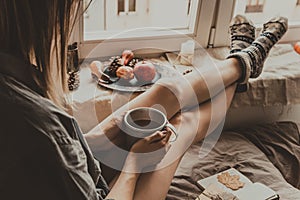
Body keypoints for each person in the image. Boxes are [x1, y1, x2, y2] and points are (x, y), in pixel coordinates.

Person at [0, 0, 287, 199]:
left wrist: (99, 137)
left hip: (72, 168)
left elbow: (56, 156)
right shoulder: (39, 126)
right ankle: (245, 60)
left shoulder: (17, 94)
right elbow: (53, 149)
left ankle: (243, 60)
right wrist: (134, 164)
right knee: (181, 124)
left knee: (165, 92)